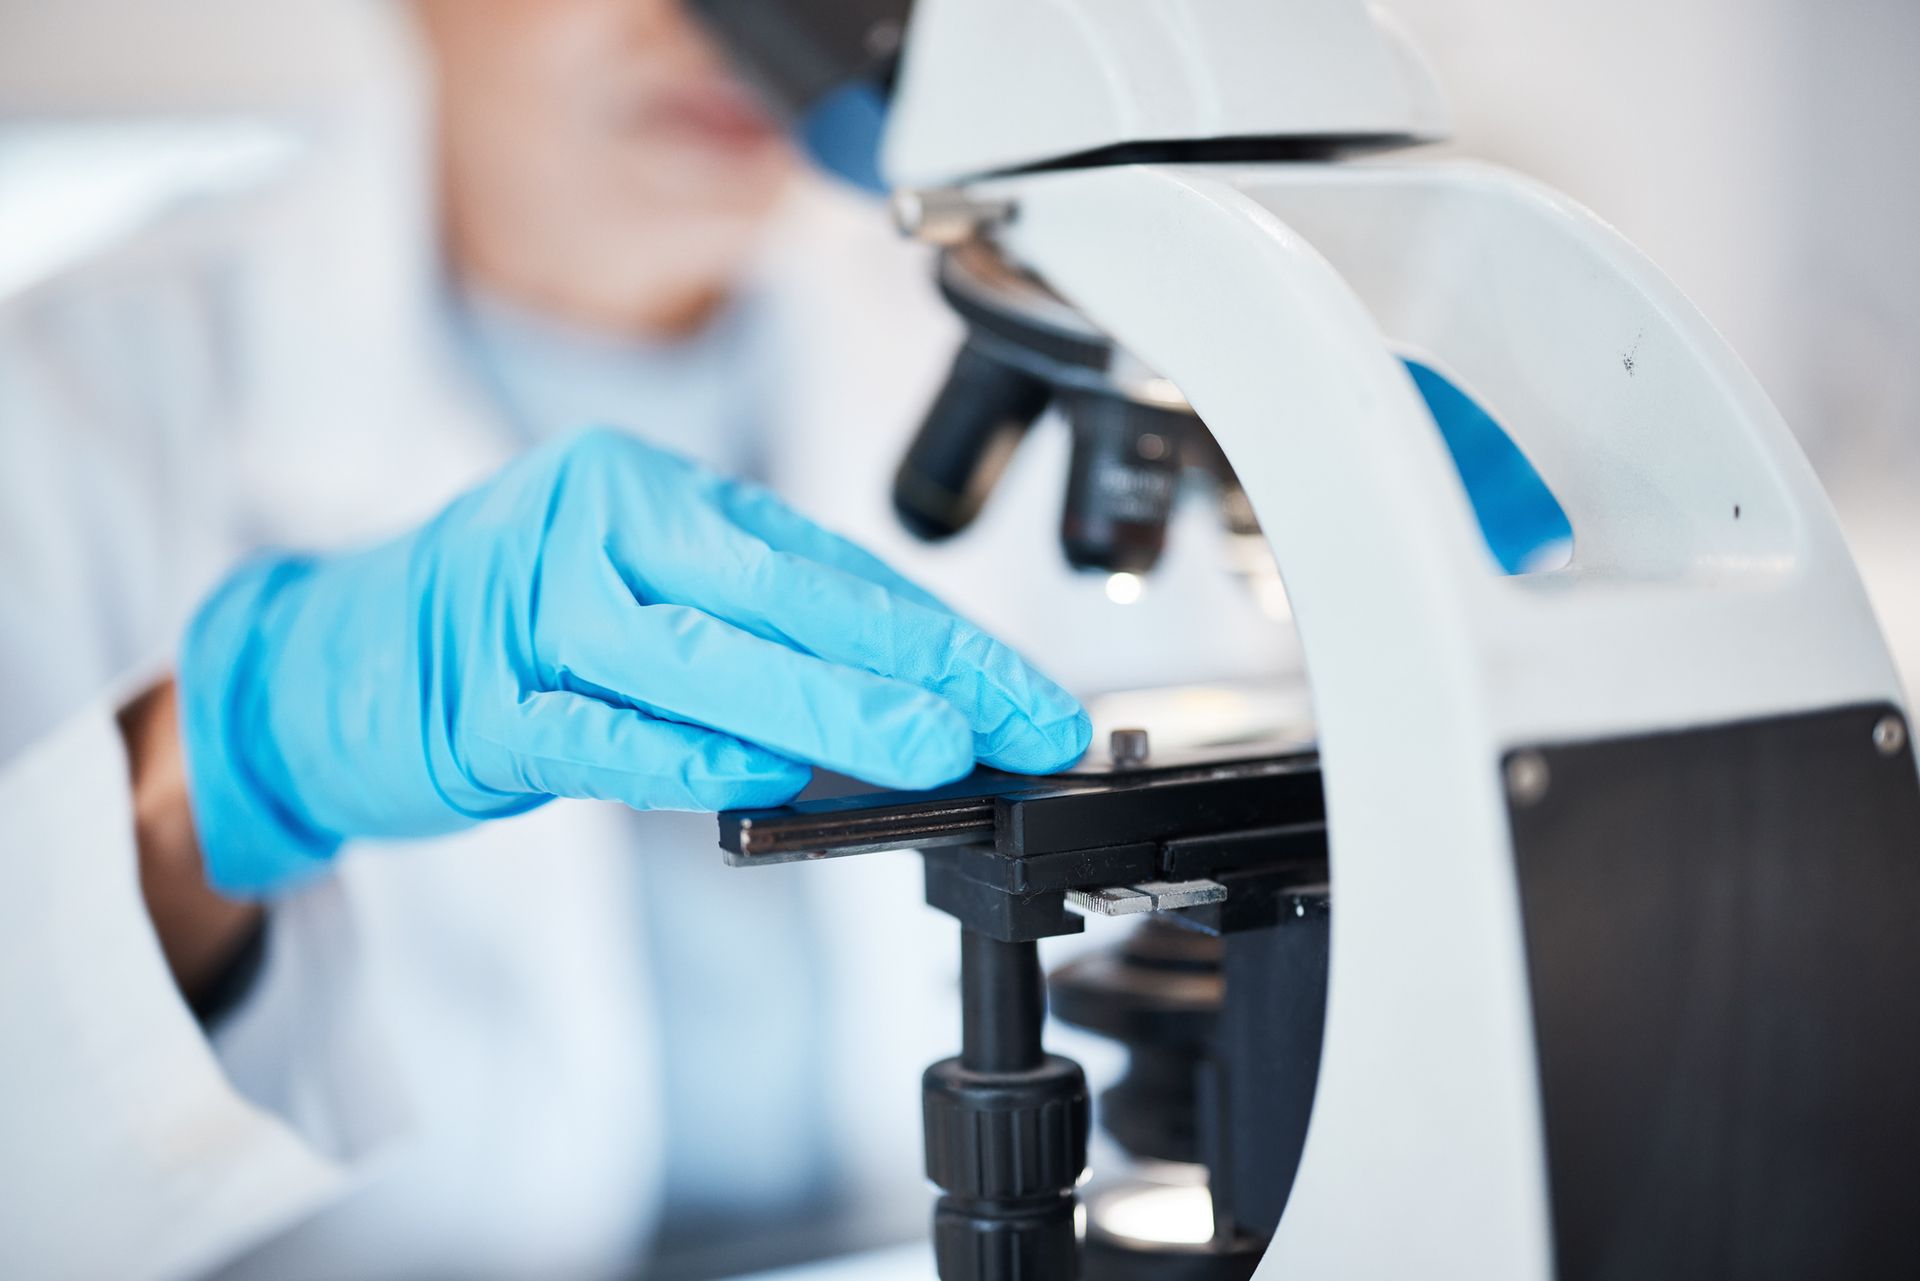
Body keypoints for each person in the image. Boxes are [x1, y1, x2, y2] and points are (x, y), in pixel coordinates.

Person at [0, 2, 1566, 1277]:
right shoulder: (64, 416)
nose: (729, 28)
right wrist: (214, 769)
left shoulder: (1053, 320)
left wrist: (1522, 535)